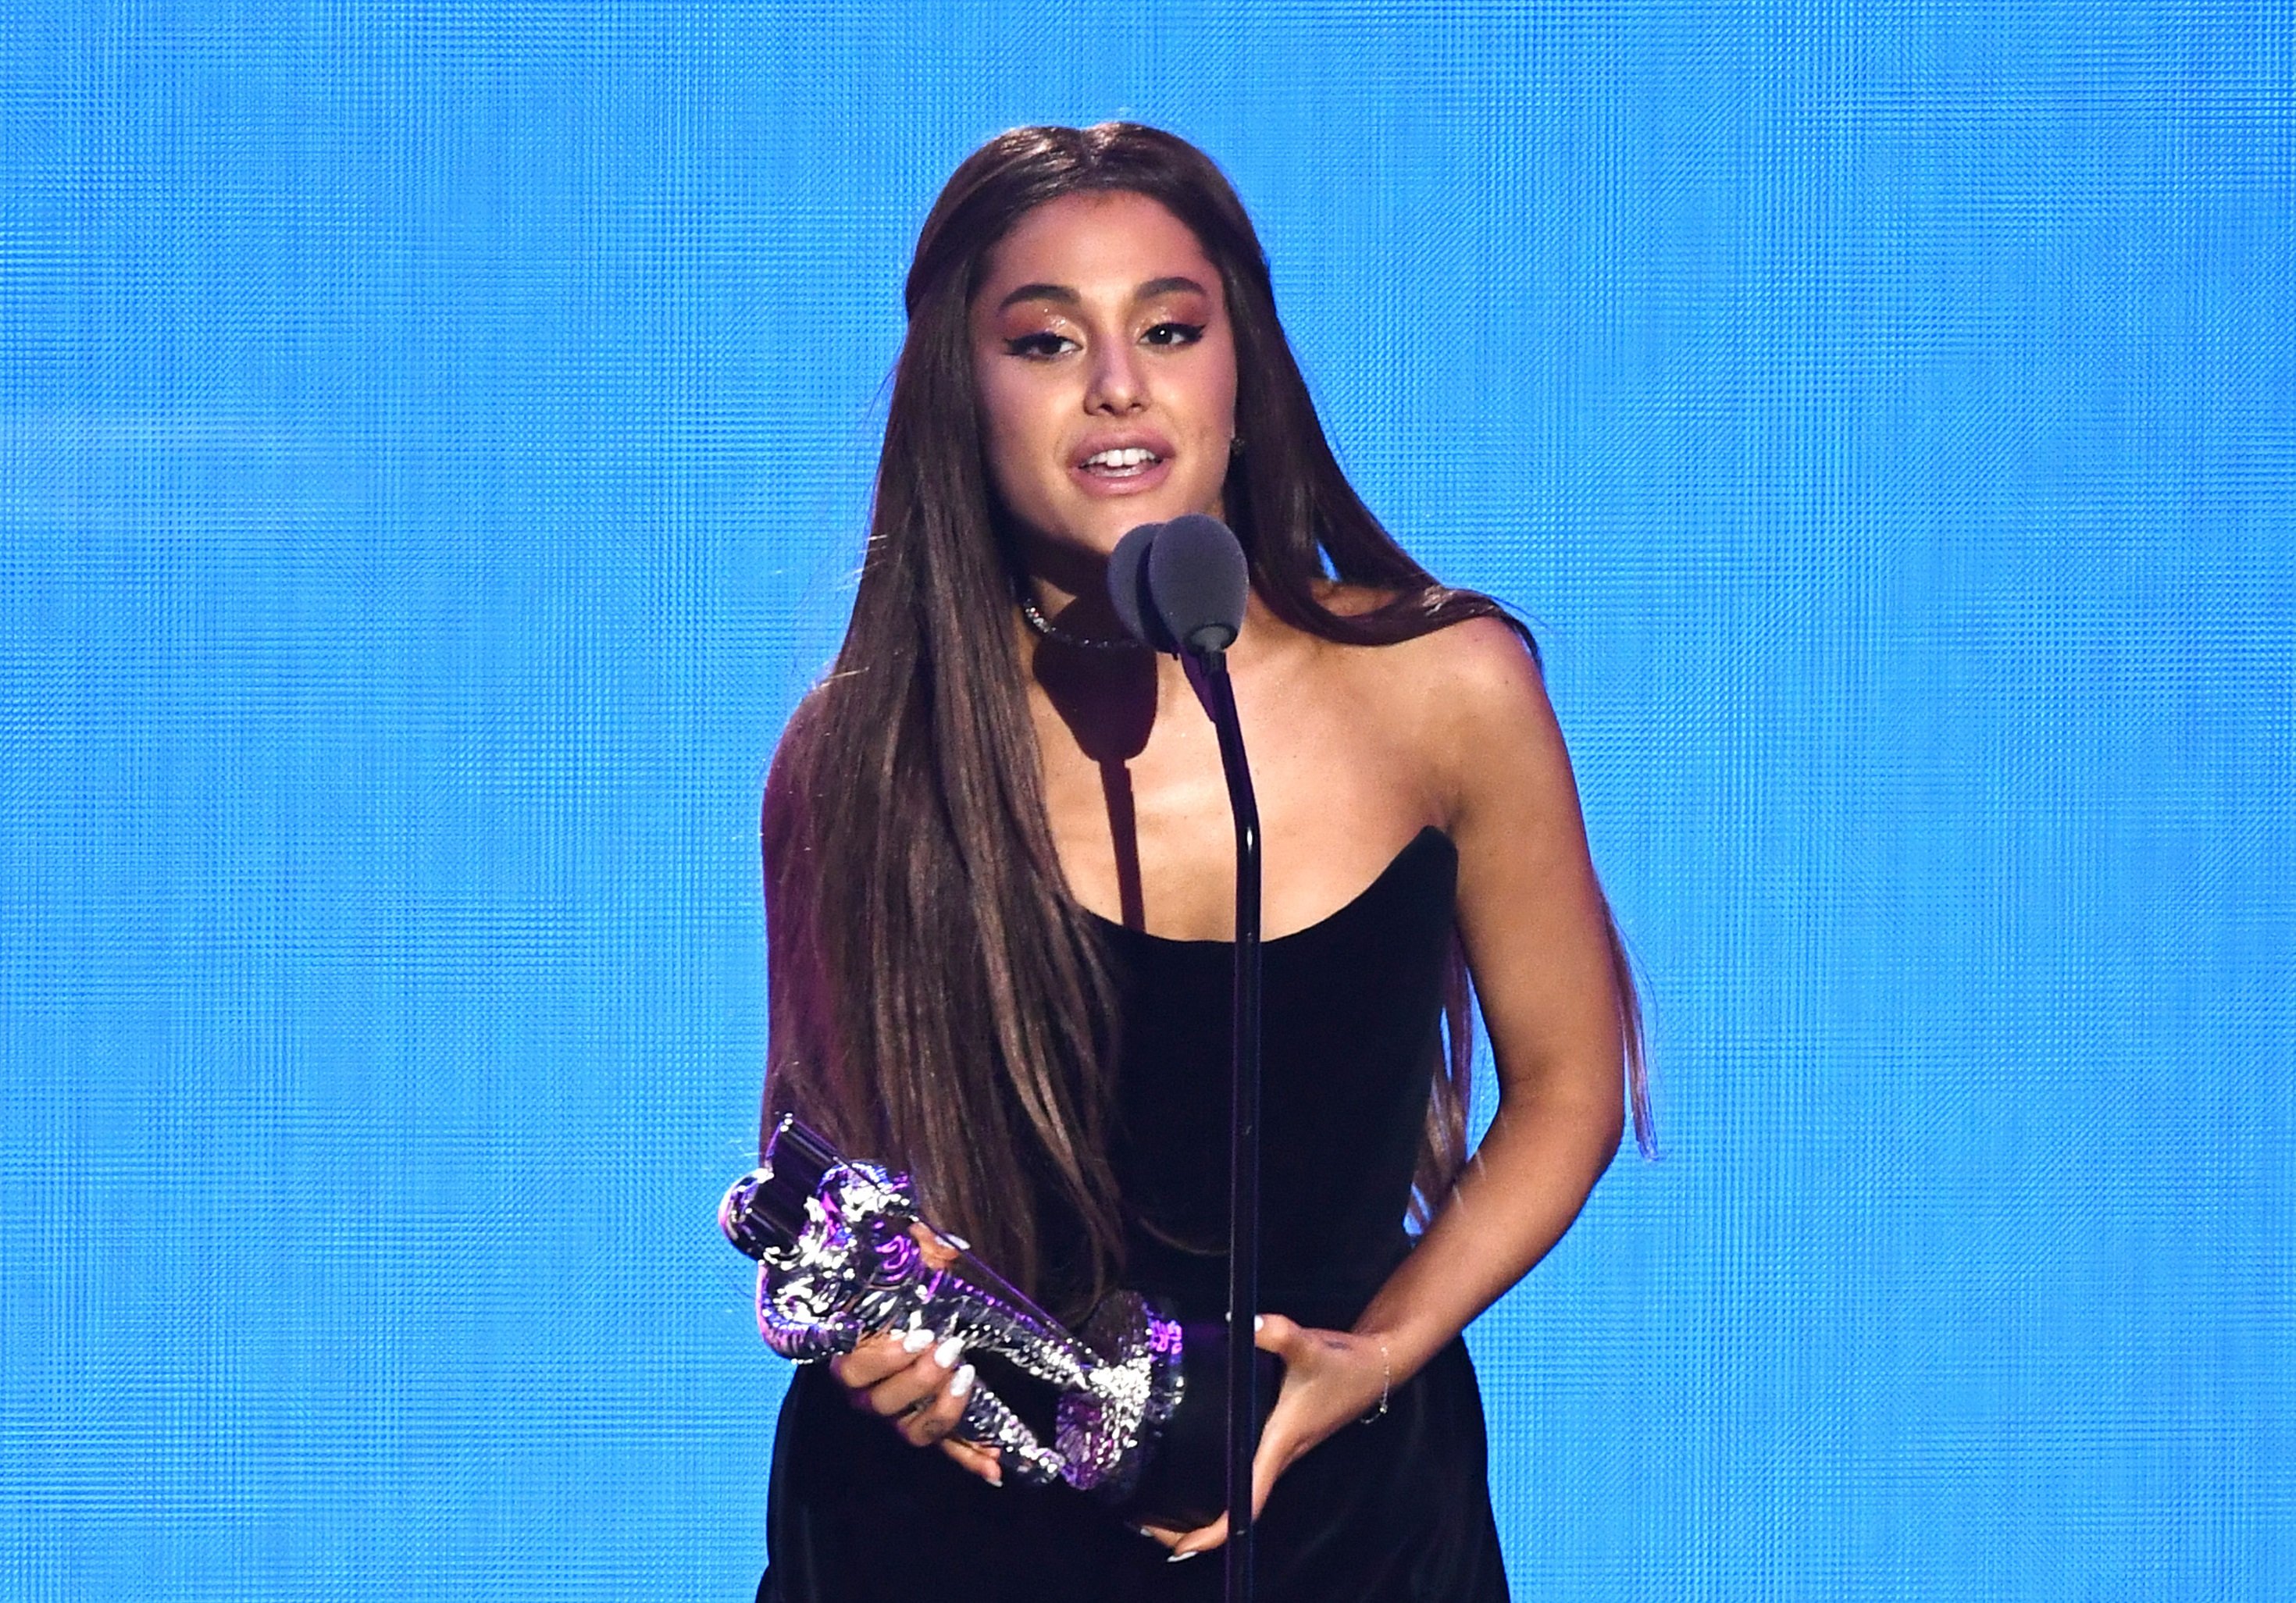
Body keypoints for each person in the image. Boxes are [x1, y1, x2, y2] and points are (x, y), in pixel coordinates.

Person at [752, 122, 1651, 1602]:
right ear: (956, 395)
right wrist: (879, 1354)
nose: (1119, 384)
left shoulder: (1449, 688)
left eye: (1170, 328)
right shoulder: (864, 758)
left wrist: (1374, 1355)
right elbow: (831, 1183)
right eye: (1045, 341)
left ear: (1244, 367)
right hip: (952, 1536)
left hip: (1345, 1524)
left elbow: (1567, 1080)